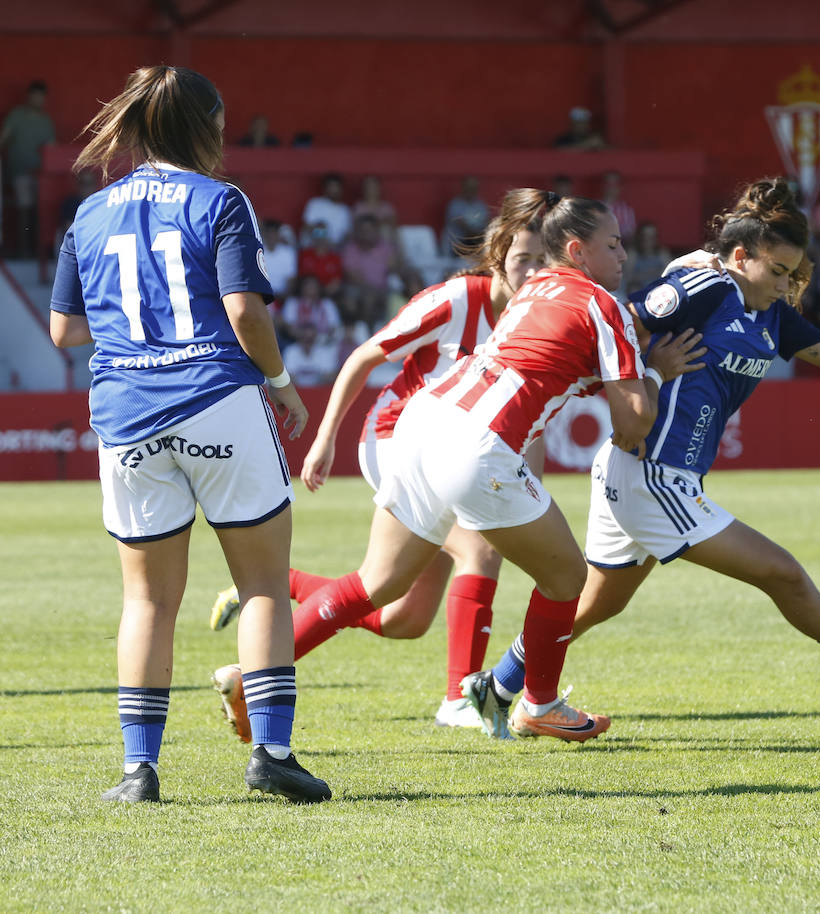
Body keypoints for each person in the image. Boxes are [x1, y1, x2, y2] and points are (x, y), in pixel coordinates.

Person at [462, 178, 820, 740]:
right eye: (777, 272)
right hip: (653, 476)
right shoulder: (703, 288)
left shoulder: (773, 315)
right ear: (740, 256)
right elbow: (623, 325)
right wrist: (650, 364)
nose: (785, 286)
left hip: (641, 475)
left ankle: (499, 685)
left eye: (792, 275)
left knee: (593, 603)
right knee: (784, 575)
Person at [217, 196, 698, 744]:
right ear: (577, 250)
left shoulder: (533, 291)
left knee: (379, 585)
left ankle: (253, 680)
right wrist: (653, 372)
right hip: (475, 445)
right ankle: (536, 702)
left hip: (421, 423)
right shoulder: (601, 304)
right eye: (613, 244)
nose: (624, 253)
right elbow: (632, 423)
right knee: (566, 577)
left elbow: (548, 365)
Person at [47, 66, 329, 803]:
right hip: (216, 402)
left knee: (146, 602)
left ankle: (138, 771)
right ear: (207, 127)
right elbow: (246, 313)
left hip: (127, 414)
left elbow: (64, 328)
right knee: (264, 583)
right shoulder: (221, 199)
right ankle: (271, 751)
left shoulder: (91, 212)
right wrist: (281, 385)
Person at [210, 189, 569, 731]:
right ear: (496, 257)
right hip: (398, 440)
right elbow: (363, 356)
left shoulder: (537, 321)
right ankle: (459, 698)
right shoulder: (455, 300)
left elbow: (525, 421)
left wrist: (522, 489)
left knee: (402, 616)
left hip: (464, 459)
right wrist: (326, 438)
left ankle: (278, 587)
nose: (535, 272)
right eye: (524, 259)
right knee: (479, 552)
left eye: (546, 261)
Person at [1, 79, 56, 256]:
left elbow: (52, 149)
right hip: (19, 172)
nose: (38, 100)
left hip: (41, 175)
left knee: (42, 209)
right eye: (35, 96)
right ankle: (23, 251)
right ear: (29, 97)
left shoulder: (46, 121)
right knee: (25, 207)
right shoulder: (17, 115)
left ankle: (38, 251)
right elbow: (3, 139)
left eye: (41, 97)